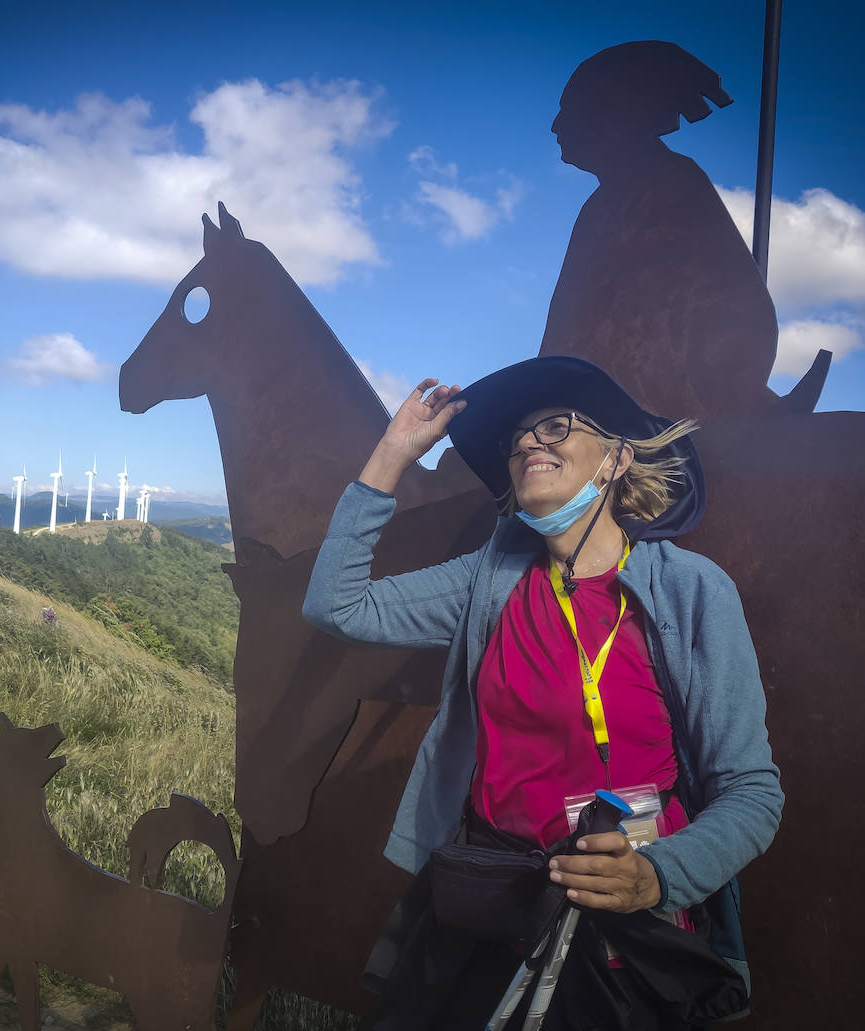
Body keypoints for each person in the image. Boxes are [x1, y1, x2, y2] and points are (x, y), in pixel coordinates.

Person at [303, 356, 782, 1029]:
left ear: (616, 459)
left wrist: (657, 876)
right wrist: (392, 453)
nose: (529, 442)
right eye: (520, 437)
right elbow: (337, 604)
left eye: (556, 426)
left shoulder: (695, 592)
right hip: (489, 919)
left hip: (626, 942)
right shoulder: (489, 580)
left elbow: (753, 791)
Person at [537, 41, 781, 424]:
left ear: (614, 116)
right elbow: (570, 331)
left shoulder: (669, 184)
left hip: (652, 419)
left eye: (572, 110)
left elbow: (715, 315)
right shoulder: (601, 207)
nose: (556, 125)